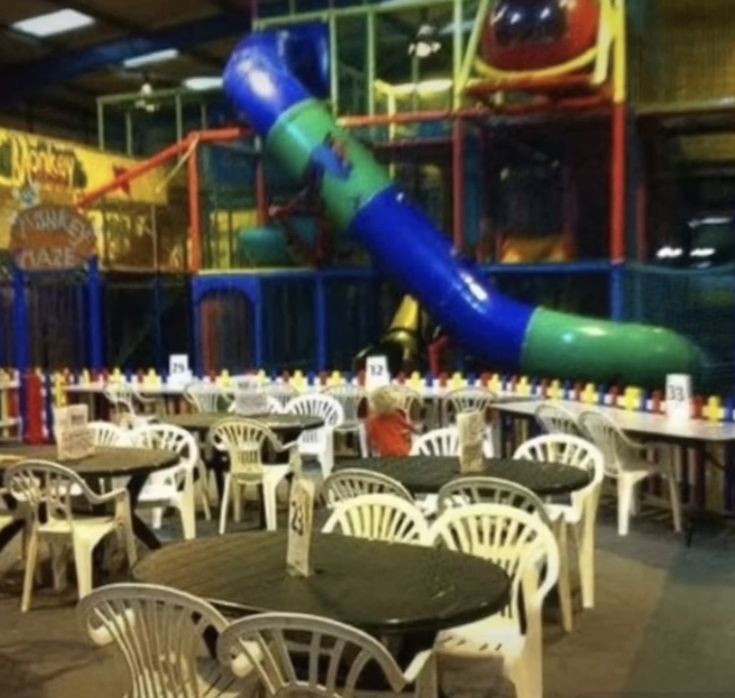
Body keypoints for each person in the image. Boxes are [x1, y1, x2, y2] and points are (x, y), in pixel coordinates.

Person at [365, 388, 416, 457]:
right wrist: (414, 430)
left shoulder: (373, 421)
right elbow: (407, 426)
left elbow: (370, 438)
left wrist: (371, 448)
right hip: (402, 450)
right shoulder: (395, 415)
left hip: (385, 452)